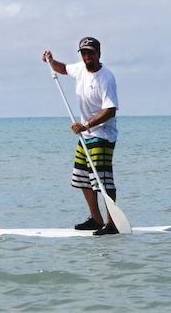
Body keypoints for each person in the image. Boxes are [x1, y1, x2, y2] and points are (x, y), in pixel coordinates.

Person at [42, 37, 120, 235]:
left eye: (90, 53)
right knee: (82, 178)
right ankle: (96, 219)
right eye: (84, 53)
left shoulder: (106, 78)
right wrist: (51, 61)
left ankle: (113, 223)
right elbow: (63, 69)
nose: (87, 57)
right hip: (85, 135)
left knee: (102, 180)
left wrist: (86, 125)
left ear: (99, 54)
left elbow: (110, 110)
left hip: (102, 135)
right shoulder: (79, 69)